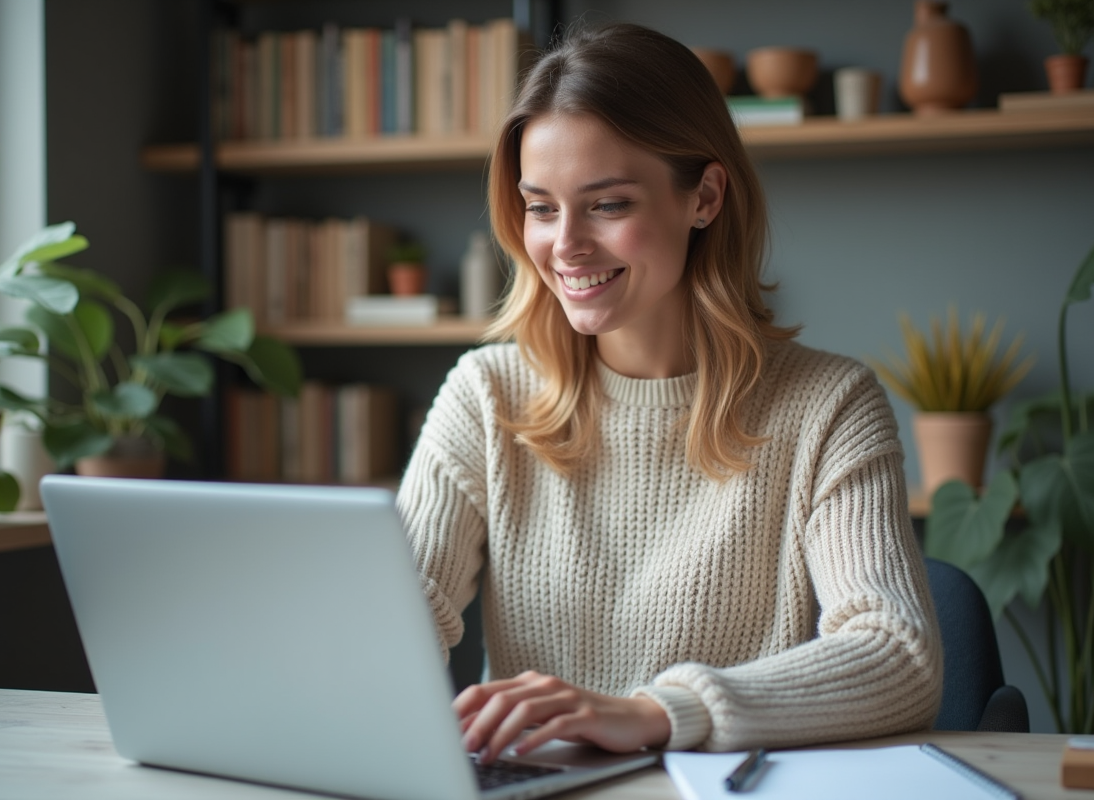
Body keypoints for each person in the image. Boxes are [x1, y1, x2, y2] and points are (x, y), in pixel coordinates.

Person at [396, 21, 942, 762]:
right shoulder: (486, 396)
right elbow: (390, 625)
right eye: (541, 207)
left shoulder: (829, 405)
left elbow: (898, 656)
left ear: (704, 197)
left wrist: (657, 712)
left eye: (608, 204)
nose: (565, 245)